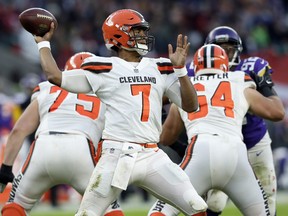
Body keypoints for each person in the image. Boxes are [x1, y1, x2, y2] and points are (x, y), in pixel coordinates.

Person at [32, 8, 208, 216]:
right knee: (88, 214)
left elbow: (191, 105)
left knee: (197, 208)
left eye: (143, 31)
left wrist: (180, 71)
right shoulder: (103, 67)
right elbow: (55, 76)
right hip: (117, 155)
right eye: (137, 31)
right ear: (119, 35)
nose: (143, 36)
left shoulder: (159, 67)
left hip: (152, 155)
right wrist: (43, 43)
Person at [148, 44, 285, 216]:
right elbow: (276, 112)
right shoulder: (239, 80)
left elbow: (166, 137)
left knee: (161, 211)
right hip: (236, 155)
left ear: (195, 65)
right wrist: (266, 87)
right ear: (225, 64)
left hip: (200, 152)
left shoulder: (186, 88)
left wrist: (160, 115)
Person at [0, 52, 124, 216]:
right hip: (81, 149)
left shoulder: (46, 88)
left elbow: (18, 131)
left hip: (43, 146)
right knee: (109, 208)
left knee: (16, 205)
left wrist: (6, 169)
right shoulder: (107, 93)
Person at [188, 26, 279, 216]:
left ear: (238, 50)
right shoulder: (194, 71)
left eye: (229, 49)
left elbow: (276, 109)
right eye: (219, 49)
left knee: (267, 198)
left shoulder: (251, 68)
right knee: (214, 202)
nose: (224, 54)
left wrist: (263, 86)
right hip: (221, 143)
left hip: (254, 141)